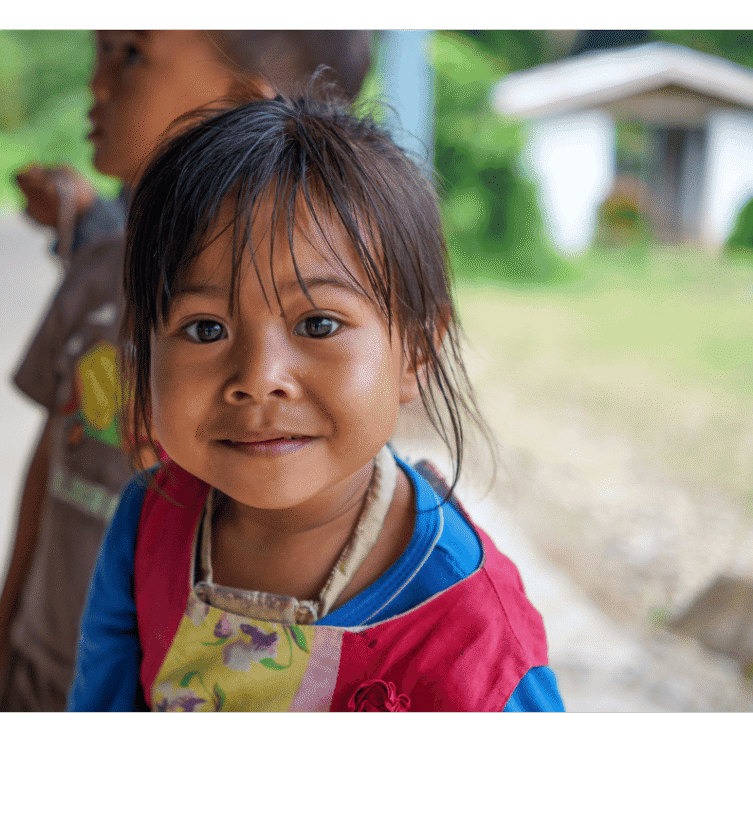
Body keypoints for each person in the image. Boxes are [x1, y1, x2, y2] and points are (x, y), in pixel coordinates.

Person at [69, 86, 565, 712]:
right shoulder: (148, 522)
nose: (259, 376)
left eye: (319, 324)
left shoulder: (472, 634)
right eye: (204, 328)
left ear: (415, 351)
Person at [0, 30, 374, 712]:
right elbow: (47, 476)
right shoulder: (99, 273)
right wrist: (0, 655)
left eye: (129, 54)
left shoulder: (310, 352)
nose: (96, 84)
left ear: (245, 110)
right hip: (42, 672)